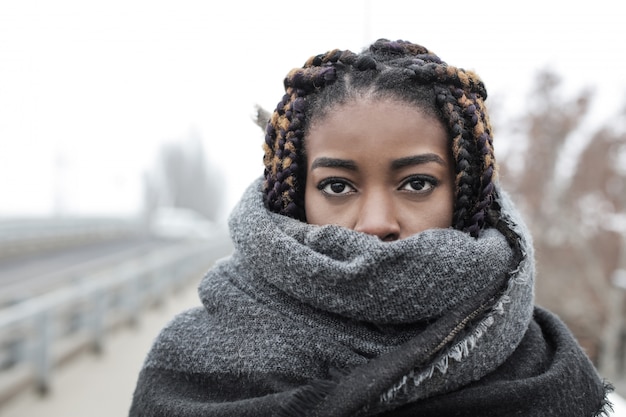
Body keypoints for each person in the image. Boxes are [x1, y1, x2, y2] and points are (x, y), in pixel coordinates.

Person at [129, 39, 612, 416]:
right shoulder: (191, 363)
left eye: (417, 183)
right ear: (295, 197)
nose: (376, 223)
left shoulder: (541, 366)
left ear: (466, 197)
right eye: (338, 186)